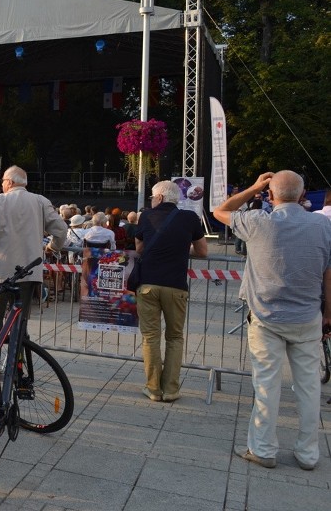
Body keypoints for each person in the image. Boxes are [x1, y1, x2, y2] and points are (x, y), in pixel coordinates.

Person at [214, 171, 331, 470]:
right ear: (303, 196)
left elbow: (220, 211)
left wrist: (253, 186)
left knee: (266, 385)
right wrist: (328, 313)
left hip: (266, 317)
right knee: (308, 387)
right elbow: (329, 274)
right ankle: (308, 453)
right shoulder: (322, 225)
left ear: (270, 195)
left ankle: (263, 449)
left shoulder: (258, 223)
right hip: (307, 317)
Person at [135, 180, 207, 403]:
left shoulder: (146, 216)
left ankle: (153, 389)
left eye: (153, 198)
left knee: (150, 337)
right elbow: (202, 251)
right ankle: (171, 389)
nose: (151, 201)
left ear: (160, 198)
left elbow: (139, 248)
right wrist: (182, 248)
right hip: (176, 285)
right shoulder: (190, 218)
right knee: (175, 337)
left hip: (148, 284)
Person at [0, 165, 67, 324]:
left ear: (9, 182)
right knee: (20, 319)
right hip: (29, 270)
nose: (2, 184)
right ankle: (18, 346)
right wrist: (53, 247)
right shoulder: (40, 201)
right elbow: (61, 229)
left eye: (2, 181)